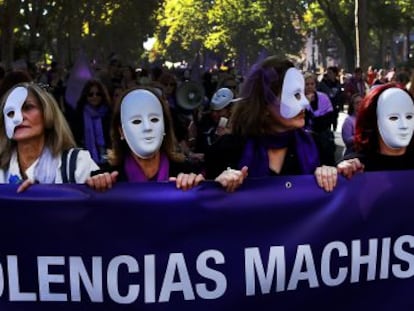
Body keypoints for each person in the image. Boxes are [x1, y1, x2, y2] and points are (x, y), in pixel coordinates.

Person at [204, 56, 337, 192]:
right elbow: (206, 200)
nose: (304, 103)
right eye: (294, 95)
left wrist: (334, 173)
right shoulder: (228, 150)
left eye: (302, 94)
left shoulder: (318, 146)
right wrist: (216, 185)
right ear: (265, 105)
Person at [87, 86, 247, 192]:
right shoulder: (105, 179)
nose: (147, 128)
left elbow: (213, 205)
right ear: (121, 131)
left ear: (164, 126)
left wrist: (222, 184)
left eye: (154, 120)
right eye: (136, 121)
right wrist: (94, 190)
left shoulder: (190, 173)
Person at [0, 82, 99, 192]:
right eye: (11, 113)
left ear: (47, 112)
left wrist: (100, 183)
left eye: (28, 107)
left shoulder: (77, 163)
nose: (18, 118)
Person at [337, 83, 414, 178]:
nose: (404, 125)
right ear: (373, 121)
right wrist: (330, 173)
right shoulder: (355, 165)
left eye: (409, 117)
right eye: (394, 118)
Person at [69, 79, 112, 167]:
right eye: (90, 94)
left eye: (98, 94)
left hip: (108, 158)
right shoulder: (78, 114)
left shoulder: (109, 113)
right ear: (86, 96)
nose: (94, 97)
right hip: (85, 159)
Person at [304, 71, 336, 166]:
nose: (310, 86)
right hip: (307, 138)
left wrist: (315, 119)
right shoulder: (299, 99)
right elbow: (304, 119)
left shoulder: (323, 97)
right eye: (307, 84)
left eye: (312, 84)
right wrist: (306, 103)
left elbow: (330, 117)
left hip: (324, 137)